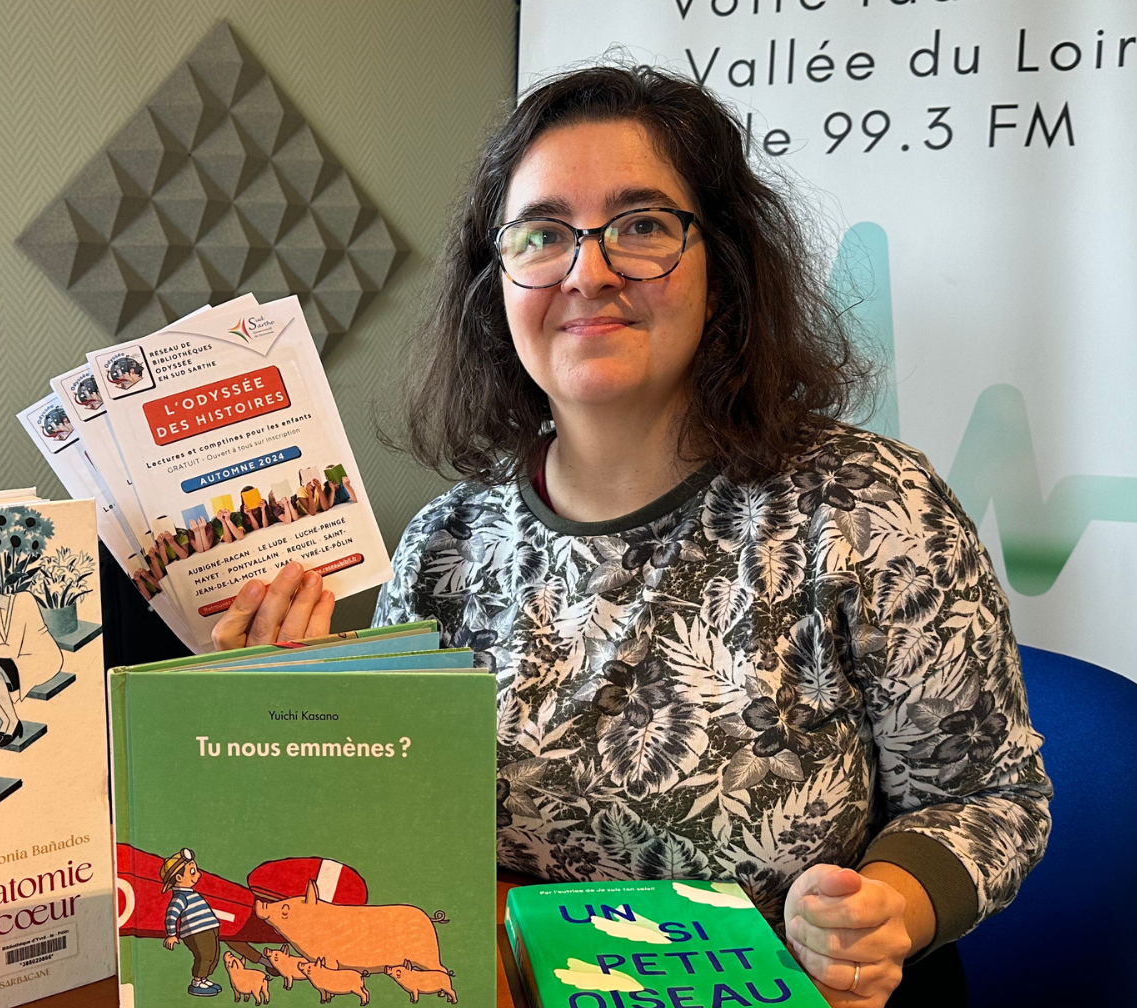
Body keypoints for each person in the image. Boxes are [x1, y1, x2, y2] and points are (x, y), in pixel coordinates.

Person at [209, 65, 1049, 1007]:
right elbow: (403, 833)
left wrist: (888, 907)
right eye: (543, 234)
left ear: (722, 269)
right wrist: (291, 722)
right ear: (499, 285)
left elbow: (989, 796)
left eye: (642, 226)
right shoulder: (448, 546)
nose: (589, 271)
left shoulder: (867, 507)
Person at [0, 564, 62, 746]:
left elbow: (10, 649)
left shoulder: (23, 600)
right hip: (16, 661)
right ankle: (8, 720)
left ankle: (12, 723)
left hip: (42, 658)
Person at [159, 848, 225, 998]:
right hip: (196, 932)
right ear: (179, 877)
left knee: (214, 955)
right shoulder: (180, 897)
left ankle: (203, 980)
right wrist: (171, 935)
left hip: (209, 928)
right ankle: (196, 983)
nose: (198, 874)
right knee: (205, 956)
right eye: (193, 872)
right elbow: (171, 915)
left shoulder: (190, 893)